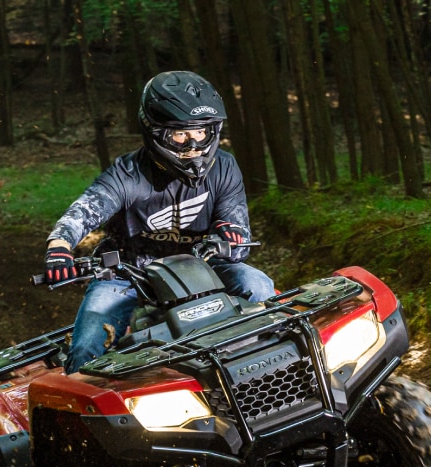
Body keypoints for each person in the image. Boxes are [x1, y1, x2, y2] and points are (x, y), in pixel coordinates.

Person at [44, 70, 275, 373]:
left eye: (201, 132)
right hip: (127, 273)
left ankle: (273, 375)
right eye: (180, 134)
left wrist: (228, 236)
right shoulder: (127, 174)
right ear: (155, 132)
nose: (192, 143)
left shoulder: (225, 167)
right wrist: (59, 247)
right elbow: (84, 211)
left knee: (259, 287)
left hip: (202, 265)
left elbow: (237, 231)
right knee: (87, 346)